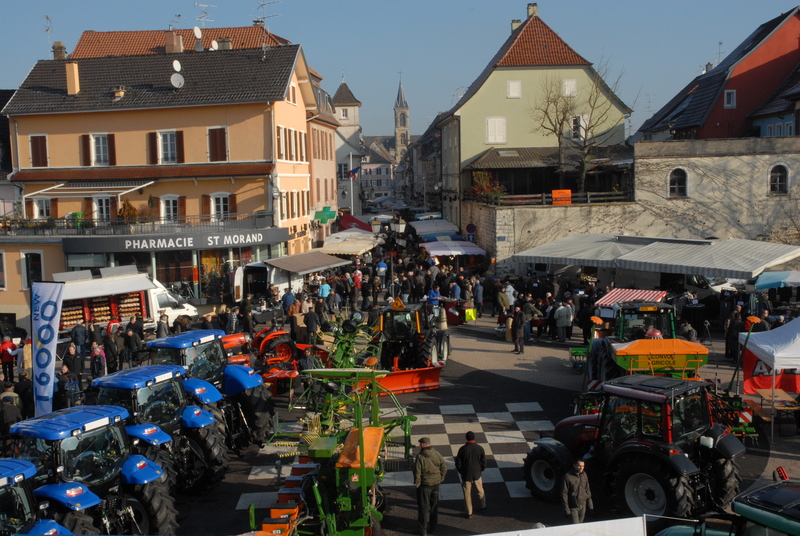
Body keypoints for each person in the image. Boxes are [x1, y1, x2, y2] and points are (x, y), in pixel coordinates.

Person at [414, 437, 447, 536]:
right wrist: (441, 478)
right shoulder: (437, 454)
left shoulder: (420, 457)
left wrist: (418, 484)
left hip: (425, 485)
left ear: (423, 445)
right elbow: (444, 468)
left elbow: (417, 472)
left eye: (420, 444)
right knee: (434, 507)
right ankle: (433, 528)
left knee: (423, 508)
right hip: (436, 483)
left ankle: (423, 530)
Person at [455, 431, 486, 518]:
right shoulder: (479, 448)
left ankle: (469, 512)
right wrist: (480, 470)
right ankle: (483, 505)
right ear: (474, 438)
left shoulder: (462, 449)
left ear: (466, 438)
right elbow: (484, 461)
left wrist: (461, 471)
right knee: (480, 490)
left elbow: (458, 463)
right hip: (477, 473)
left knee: (467, 493)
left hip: (466, 474)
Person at [562, 460, 592, 524]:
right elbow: (564, 494)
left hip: (583, 505)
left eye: (583, 466)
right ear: (574, 465)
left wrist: (590, 506)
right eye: (579, 466)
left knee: (580, 525)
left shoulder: (584, 475)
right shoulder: (567, 477)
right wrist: (567, 510)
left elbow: (587, 490)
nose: (581, 468)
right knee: (575, 525)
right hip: (573, 506)